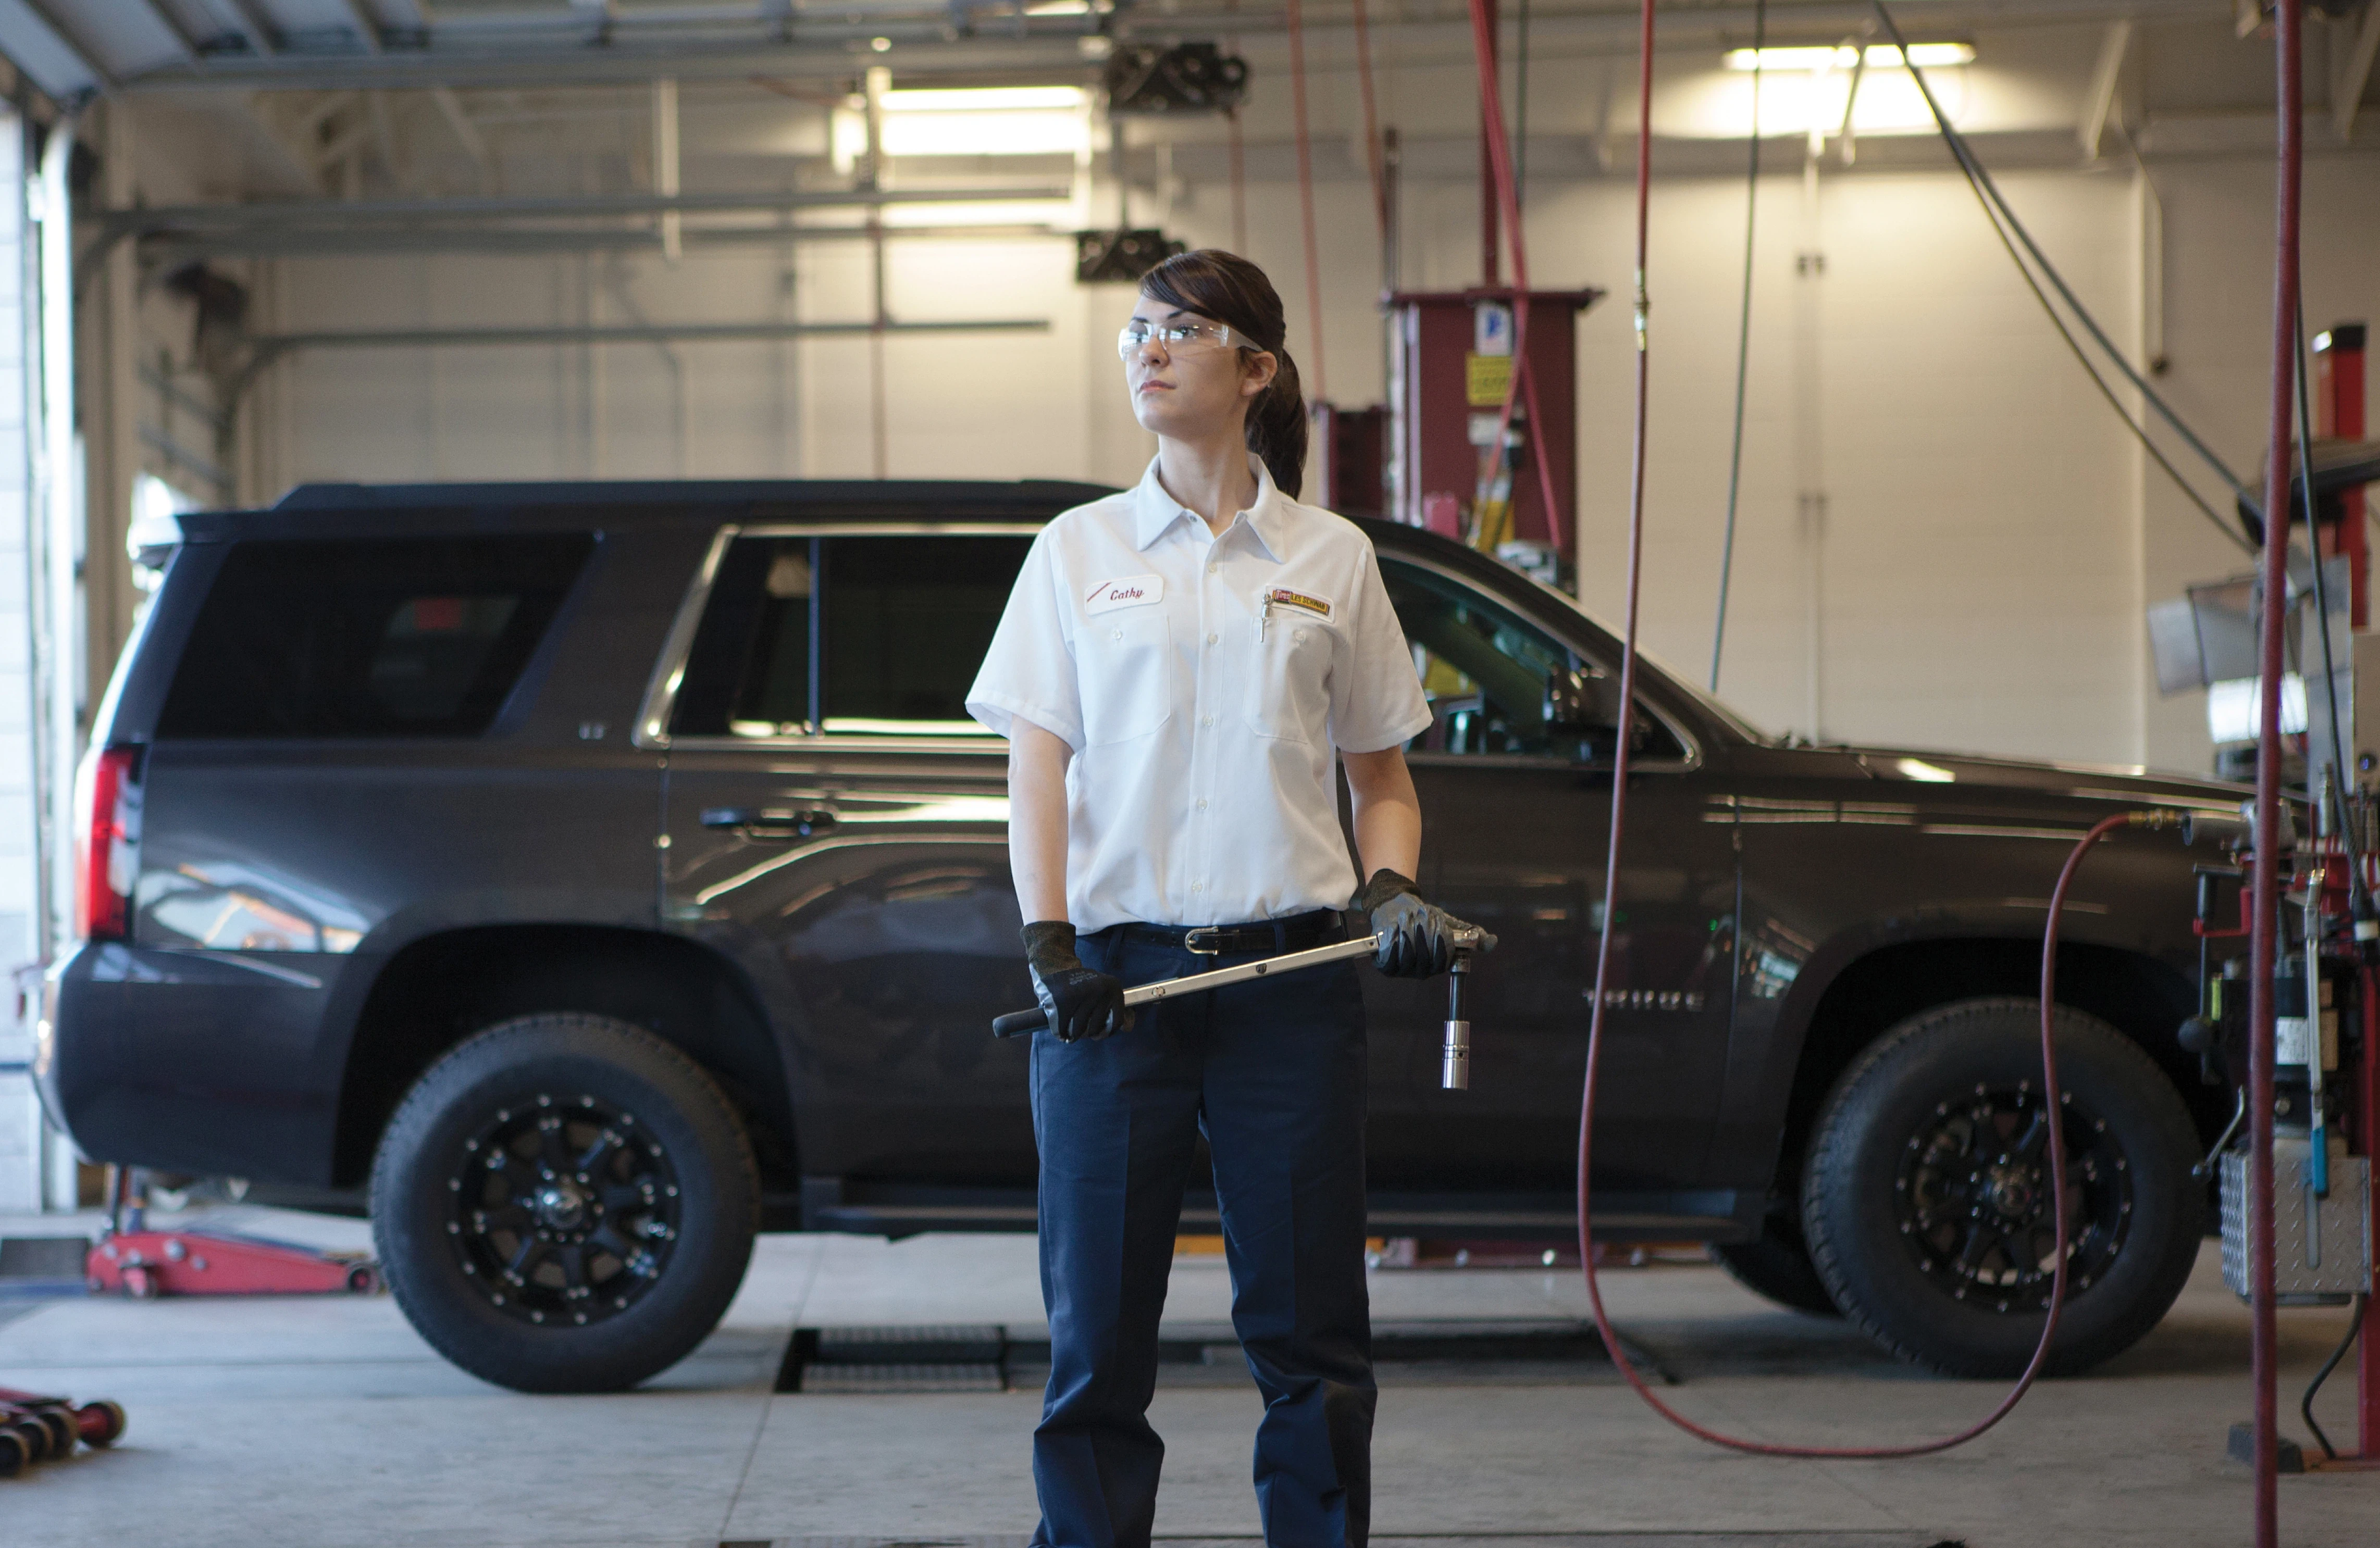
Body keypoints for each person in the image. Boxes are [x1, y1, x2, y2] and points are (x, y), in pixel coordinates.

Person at [965, 249, 1479, 1548]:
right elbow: (1037, 769)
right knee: (1097, 1336)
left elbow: (1382, 778)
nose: (1145, 349)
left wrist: (1393, 890)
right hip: (1110, 994)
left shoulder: (1330, 556)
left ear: (1255, 369)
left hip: (1291, 990)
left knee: (1309, 1332)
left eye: (1180, 330)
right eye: (1135, 329)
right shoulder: (1076, 553)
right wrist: (1048, 942)